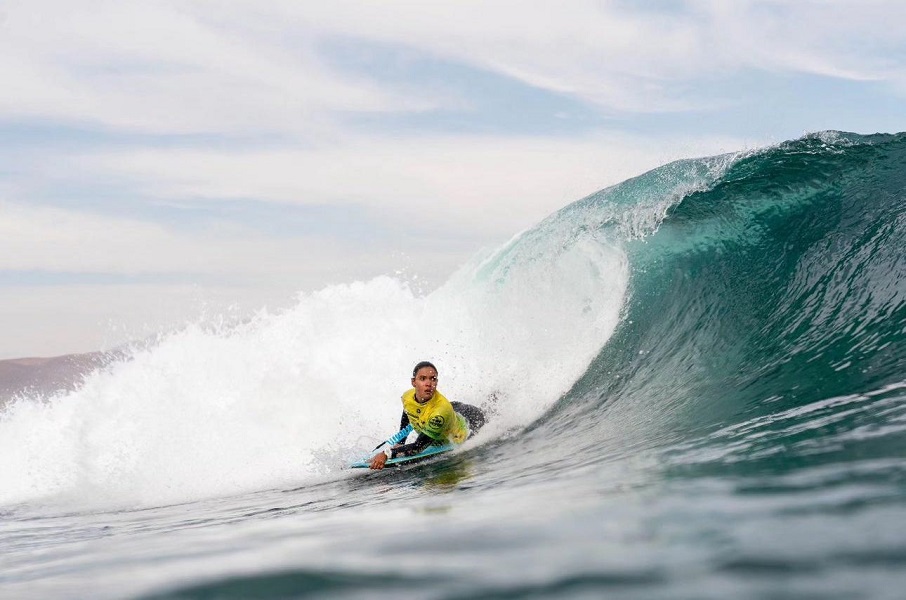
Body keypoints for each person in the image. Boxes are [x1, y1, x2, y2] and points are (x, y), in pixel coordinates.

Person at [369, 361, 485, 470]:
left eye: (433, 379)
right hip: (450, 409)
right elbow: (407, 410)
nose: (428, 384)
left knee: (488, 412)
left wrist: (387, 454)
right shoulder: (407, 396)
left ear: (437, 382)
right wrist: (401, 442)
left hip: (470, 419)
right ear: (413, 382)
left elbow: (418, 447)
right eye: (422, 379)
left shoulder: (440, 415)